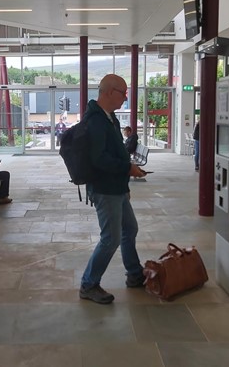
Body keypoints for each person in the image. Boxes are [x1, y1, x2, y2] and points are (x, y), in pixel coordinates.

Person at [79, 74, 148, 305]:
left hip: (116, 187)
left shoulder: (111, 119)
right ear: (109, 92)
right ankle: (89, 284)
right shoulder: (96, 121)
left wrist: (124, 182)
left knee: (130, 229)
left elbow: (117, 151)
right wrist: (128, 169)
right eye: (123, 92)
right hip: (105, 188)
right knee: (111, 239)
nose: (125, 97)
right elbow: (99, 159)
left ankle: (134, 274)